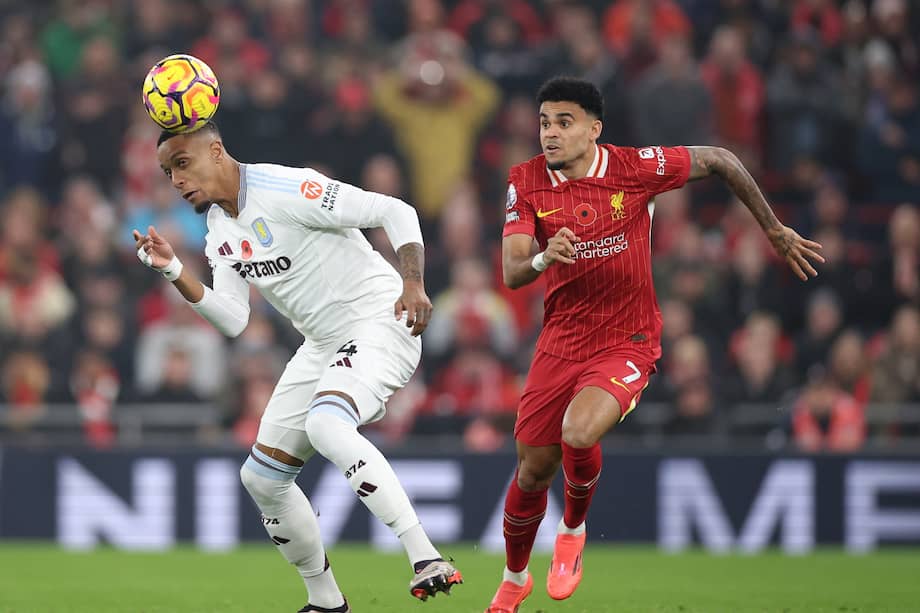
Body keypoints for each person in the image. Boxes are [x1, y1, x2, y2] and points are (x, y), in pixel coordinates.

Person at [487, 76, 825, 612]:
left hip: (628, 338)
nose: (550, 133)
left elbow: (719, 159)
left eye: (564, 122)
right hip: (560, 340)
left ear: (594, 129)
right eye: (545, 122)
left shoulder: (633, 168)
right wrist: (544, 259)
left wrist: (774, 228)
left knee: (578, 431)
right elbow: (511, 272)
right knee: (532, 469)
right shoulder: (525, 180)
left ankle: (572, 533)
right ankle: (514, 576)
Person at [132, 121, 462, 613]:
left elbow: (394, 210)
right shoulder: (220, 229)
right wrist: (174, 270)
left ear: (217, 151)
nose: (176, 181)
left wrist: (412, 282)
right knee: (261, 479)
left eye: (183, 164)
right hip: (322, 344)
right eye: (167, 172)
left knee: (327, 423)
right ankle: (326, 602)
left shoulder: (286, 187)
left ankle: (424, 556)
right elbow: (233, 320)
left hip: (380, 318)